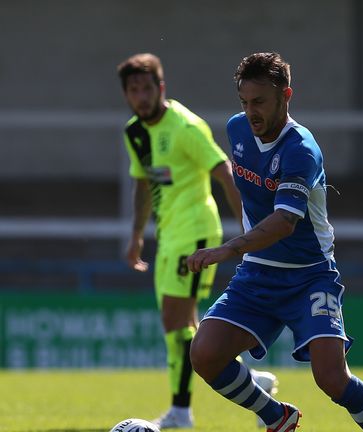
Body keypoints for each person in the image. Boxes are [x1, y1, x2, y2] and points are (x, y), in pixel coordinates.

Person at [186, 52, 363, 432]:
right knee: (204, 354)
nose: (251, 112)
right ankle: (276, 416)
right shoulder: (237, 131)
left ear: (286, 95)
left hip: (309, 276)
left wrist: (229, 247)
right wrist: (245, 238)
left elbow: (285, 221)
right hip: (258, 274)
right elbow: (250, 193)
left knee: (332, 379)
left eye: (260, 102)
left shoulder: (301, 149)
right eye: (245, 102)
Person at [117, 53, 278, 429]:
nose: (140, 97)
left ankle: (180, 411)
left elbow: (225, 173)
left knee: (175, 321)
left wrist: (249, 230)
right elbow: (143, 183)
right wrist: (137, 236)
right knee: (181, 324)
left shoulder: (186, 127)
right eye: (132, 90)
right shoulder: (134, 133)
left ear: (161, 88)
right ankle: (255, 387)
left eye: (146, 88)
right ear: (126, 95)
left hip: (195, 231)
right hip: (168, 235)